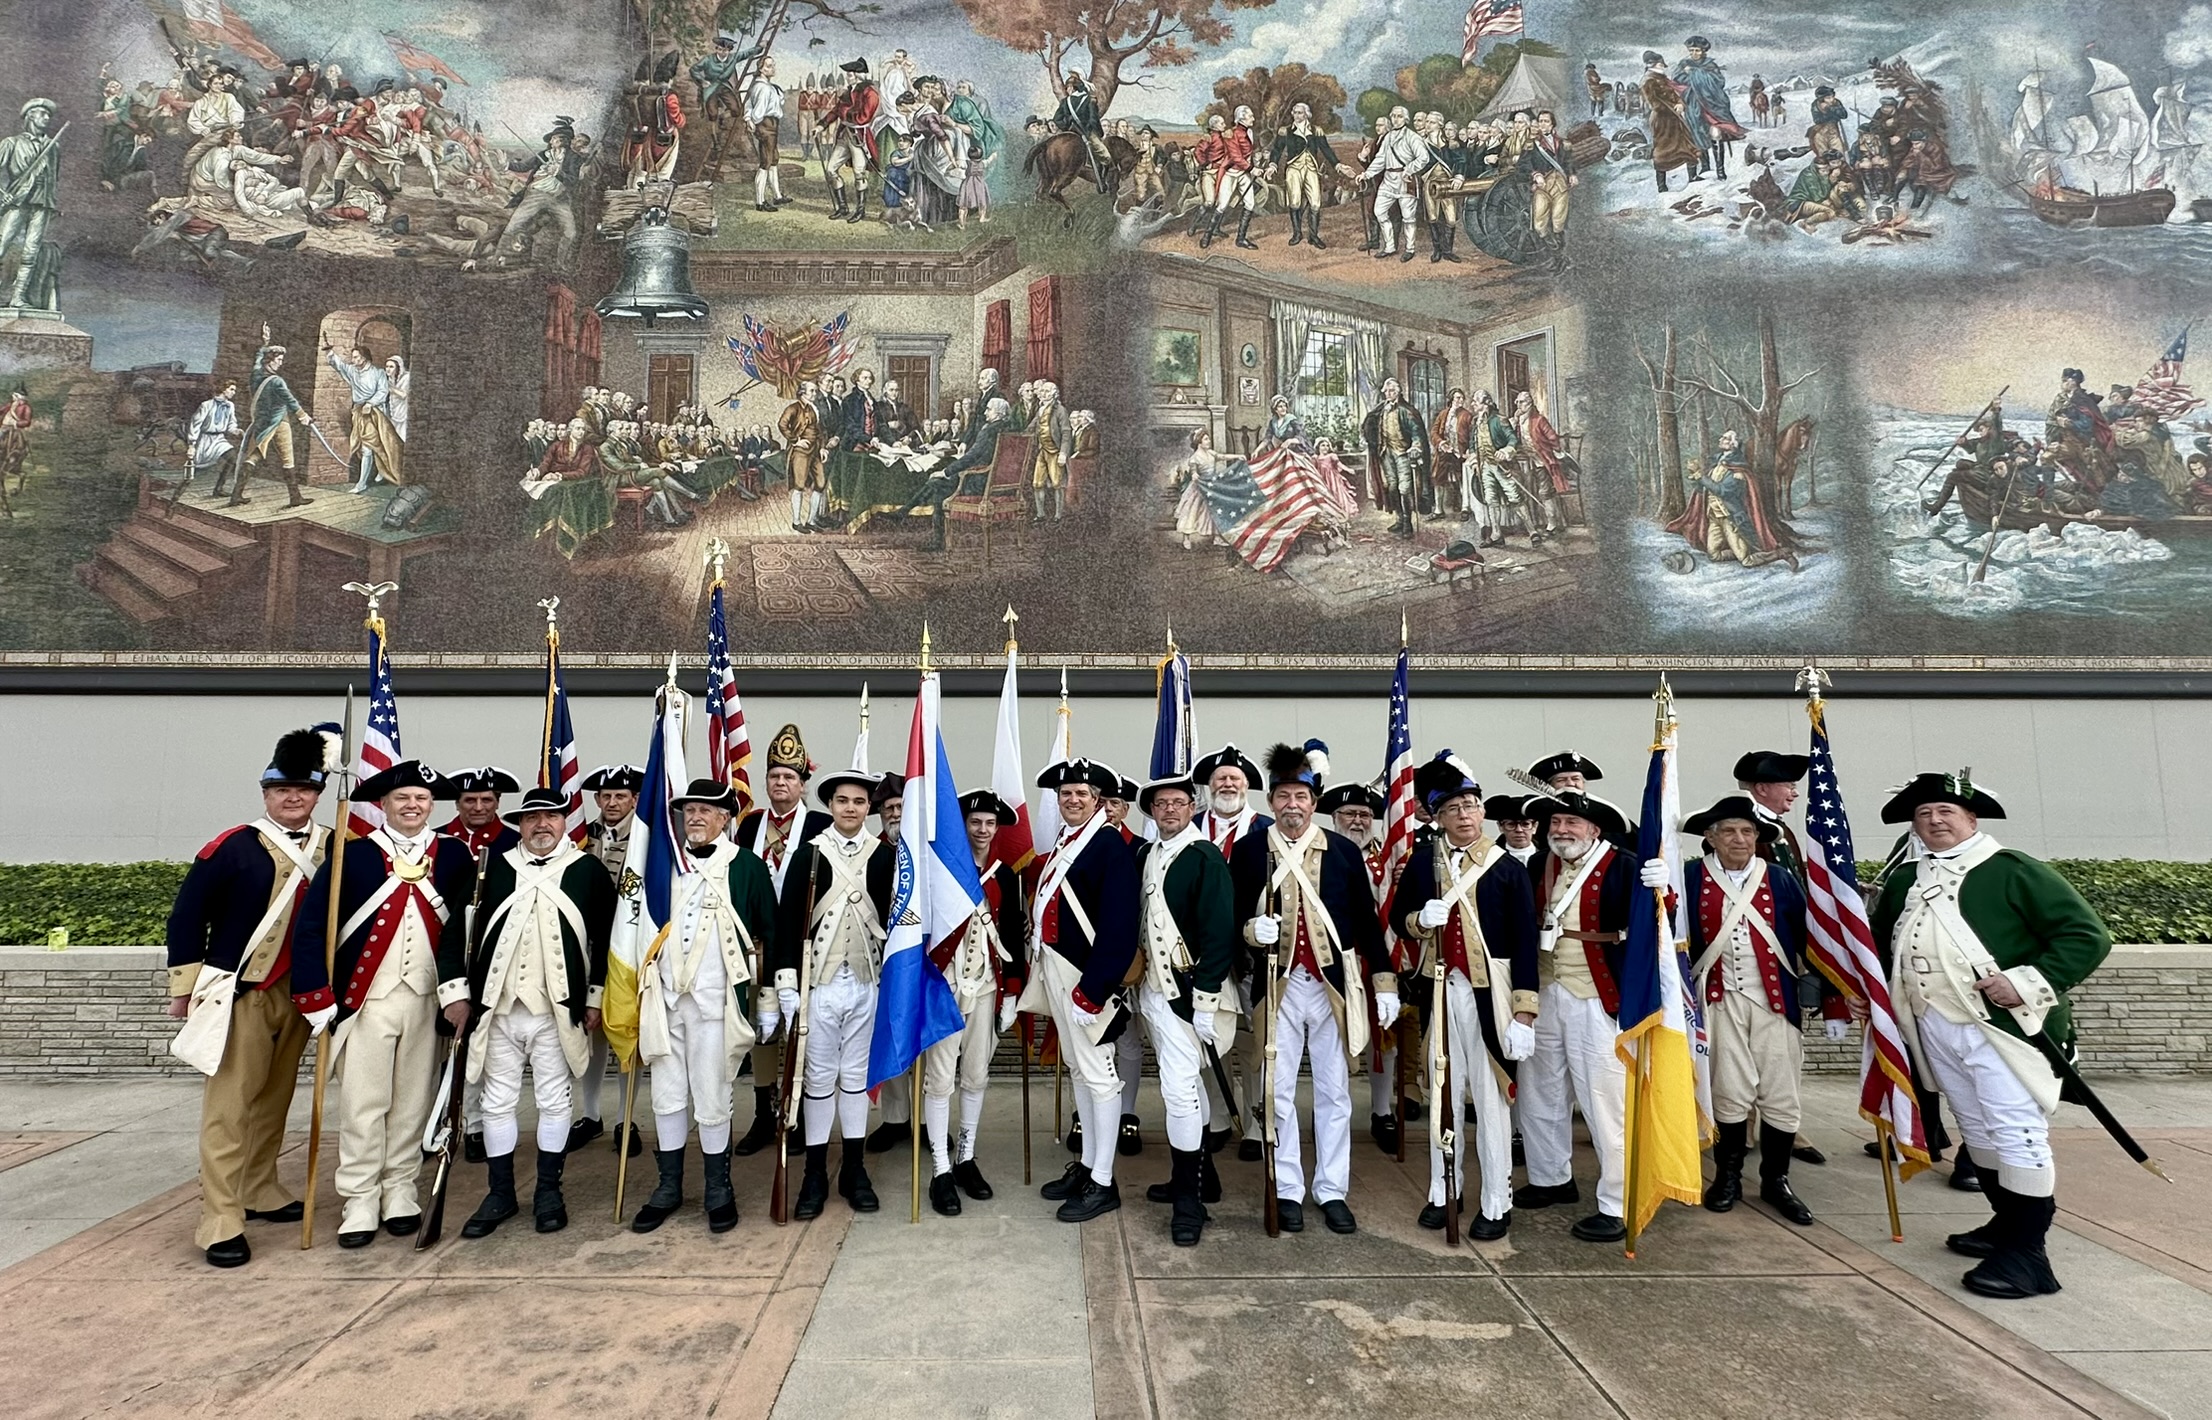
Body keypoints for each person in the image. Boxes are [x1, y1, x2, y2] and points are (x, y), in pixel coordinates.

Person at [1870, 772, 2112, 1298]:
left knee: (2016, 1133)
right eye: (1924, 815)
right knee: (1977, 1131)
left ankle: (2029, 1255)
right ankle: (2008, 1226)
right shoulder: (1905, 879)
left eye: (1945, 812)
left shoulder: (2012, 870)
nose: (1934, 822)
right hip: (1935, 1027)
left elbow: (2086, 935)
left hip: (2003, 1029)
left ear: (1971, 819)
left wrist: (2024, 981)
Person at [165, 727, 335, 1267]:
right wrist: (184, 988)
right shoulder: (232, 847)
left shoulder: (337, 844)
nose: (293, 797)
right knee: (230, 1106)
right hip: (244, 992)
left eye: (304, 790)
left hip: (303, 994)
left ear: (317, 794)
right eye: (282, 789)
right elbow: (187, 917)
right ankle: (219, 1218)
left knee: (275, 1099)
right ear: (265, 793)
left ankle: (260, 1187)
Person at [291, 760, 476, 1248]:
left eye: (420, 799)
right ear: (383, 806)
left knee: (414, 1103)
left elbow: (468, 928)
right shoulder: (352, 857)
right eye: (402, 799)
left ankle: (400, 1190)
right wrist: (316, 997)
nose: (412, 806)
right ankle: (359, 1197)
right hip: (365, 1000)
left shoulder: (455, 856)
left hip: (426, 999)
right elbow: (312, 928)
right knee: (364, 1104)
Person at [1230, 743, 1392, 1235]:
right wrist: (1247, 931)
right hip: (1276, 989)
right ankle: (1286, 1189)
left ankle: (1331, 1189)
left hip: (1331, 989)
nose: (1292, 805)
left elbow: (1366, 921)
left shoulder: (1342, 851)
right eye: (1283, 796)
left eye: (1301, 795)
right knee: (1277, 1093)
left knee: (1334, 1092)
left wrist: (1383, 982)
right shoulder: (1250, 850)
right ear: (1271, 802)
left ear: (1313, 802)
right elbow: (1232, 915)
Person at [1671, 795, 1840, 1227]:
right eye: (1728, 831)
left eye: (1747, 832)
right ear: (1710, 838)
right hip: (1718, 1000)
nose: (1739, 839)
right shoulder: (1690, 877)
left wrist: (1836, 998)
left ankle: (1776, 1180)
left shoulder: (1781, 879)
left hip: (1775, 1002)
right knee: (1728, 1091)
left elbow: (1814, 941)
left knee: (1781, 1094)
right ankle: (1727, 1177)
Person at [1389, 753, 1538, 1239]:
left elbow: (1525, 942)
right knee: (1441, 1096)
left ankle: (1497, 1200)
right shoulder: (1423, 863)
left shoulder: (1506, 868)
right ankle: (1442, 1189)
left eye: (1471, 805)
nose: (1465, 815)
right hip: (1439, 991)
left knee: (1491, 1098)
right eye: (1454, 808)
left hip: (1489, 993)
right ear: (1437, 816)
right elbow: (1398, 920)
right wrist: (1418, 921)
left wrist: (1524, 1012)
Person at [459, 788, 617, 1238]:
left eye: (550, 817)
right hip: (499, 1009)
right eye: (532, 819)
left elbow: (607, 941)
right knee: (497, 1103)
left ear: (565, 822)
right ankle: (500, 1193)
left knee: (553, 1101)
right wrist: (457, 993)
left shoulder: (587, 871)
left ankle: (549, 1190)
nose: (541, 825)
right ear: (520, 825)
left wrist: (594, 996)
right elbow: (460, 930)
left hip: (555, 1010)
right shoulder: (493, 868)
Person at [630, 781, 779, 1234]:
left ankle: (719, 1188)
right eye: (690, 810)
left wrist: (768, 999)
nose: (695, 817)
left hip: (716, 1002)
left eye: (706, 810)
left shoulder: (747, 867)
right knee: (667, 1095)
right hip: (665, 999)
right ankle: (668, 1186)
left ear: (725, 819)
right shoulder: (663, 866)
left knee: (713, 1096)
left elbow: (769, 935)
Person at [1513, 787, 1637, 1243]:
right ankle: (1550, 1178)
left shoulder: (1624, 866)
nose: (1561, 832)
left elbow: (1652, 929)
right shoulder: (1536, 865)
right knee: (1540, 1092)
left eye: (1571, 824)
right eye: (1555, 825)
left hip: (1598, 998)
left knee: (1605, 1101)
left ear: (1593, 830)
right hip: (1546, 993)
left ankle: (1618, 1201)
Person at [774, 766, 895, 1217]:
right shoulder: (808, 855)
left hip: (866, 982)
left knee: (857, 1078)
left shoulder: (883, 857)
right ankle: (814, 1173)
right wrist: (786, 985)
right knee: (819, 1079)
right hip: (818, 986)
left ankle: (855, 1169)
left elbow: (893, 922)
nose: (851, 808)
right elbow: (787, 924)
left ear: (870, 809)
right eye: (843, 801)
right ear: (830, 806)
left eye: (860, 802)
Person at [1030, 757, 1142, 1221]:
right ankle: (1090, 1164)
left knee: (1100, 1078)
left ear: (1098, 800)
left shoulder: (1108, 845)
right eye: (1066, 794)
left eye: (1082, 793)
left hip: (1084, 978)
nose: (1073, 800)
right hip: (1057, 971)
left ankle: (1103, 1181)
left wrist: (1094, 989)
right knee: (1078, 1070)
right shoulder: (1068, 840)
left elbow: (1119, 929)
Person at [1130, 773, 1235, 1245]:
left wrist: (1207, 1000)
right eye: (1161, 804)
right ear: (1151, 811)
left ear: (1193, 807)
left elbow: (1219, 935)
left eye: (1178, 803)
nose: (1169, 810)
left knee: (1178, 1092)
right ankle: (1201, 1179)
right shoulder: (1149, 855)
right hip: (1153, 990)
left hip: (1187, 994)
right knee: (1186, 1082)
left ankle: (1188, 1201)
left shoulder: (1204, 857)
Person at [922, 791, 1031, 1215]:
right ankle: (940, 1167)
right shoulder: (943, 869)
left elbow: (1012, 935)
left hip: (987, 986)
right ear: (962, 825)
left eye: (989, 824)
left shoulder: (1005, 876)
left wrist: (1014, 991)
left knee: (976, 1075)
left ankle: (966, 1157)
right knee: (939, 1079)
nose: (983, 831)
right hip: (945, 988)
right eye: (975, 823)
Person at [732, 726, 832, 1156]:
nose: (780, 784)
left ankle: (801, 1114)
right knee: (762, 1032)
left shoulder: (821, 824)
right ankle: (763, 1114)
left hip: (804, 944)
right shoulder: (750, 824)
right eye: (774, 776)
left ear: (803, 784)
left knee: (802, 1028)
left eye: (789, 777)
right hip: (758, 947)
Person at [572, 764, 643, 1153]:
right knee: (591, 1028)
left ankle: (625, 1119)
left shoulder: (647, 837)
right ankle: (591, 1113)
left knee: (625, 1033)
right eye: (605, 796)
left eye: (620, 796)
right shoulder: (583, 834)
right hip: (588, 943)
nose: (612, 802)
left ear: (634, 799)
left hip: (627, 945)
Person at [233, 327, 315, 509]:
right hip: (280, 421)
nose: (280, 363)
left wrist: (265, 344)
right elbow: (290, 400)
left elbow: (256, 361)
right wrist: (303, 416)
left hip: (262, 423)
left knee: (253, 456)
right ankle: (294, 497)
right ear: (270, 361)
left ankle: (236, 495)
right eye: (278, 360)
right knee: (287, 459)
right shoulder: (277, 381)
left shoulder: (256, 376)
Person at [496, 119, 583, 268]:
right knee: (513, 225)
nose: (551, 140)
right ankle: (497, 257)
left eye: (555, 138)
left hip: (559, 199)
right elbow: (524, 166)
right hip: (536, 195)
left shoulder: (574, 158)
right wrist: (507, 164)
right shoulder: (544, 154)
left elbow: (573, 181)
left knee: (570, 232)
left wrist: (558, 173)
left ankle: (561, 264)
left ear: (564, 141)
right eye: (552, 138)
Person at [1353, 105, 1432, 263]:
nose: (1396, 119)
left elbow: (1424, 158)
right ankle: (1389, 246)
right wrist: (1366, 174)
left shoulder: (1412, 137)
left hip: (1405, 180)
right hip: (1388, 179)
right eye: (1393, 116)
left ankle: (1410, 249)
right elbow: (1380, 159)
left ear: (1406, 119)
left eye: (1399, 116)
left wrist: (1409, 169)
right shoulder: (1388, 137)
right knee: (1379, 211)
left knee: (1408, 217)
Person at [325, 342, 405, 492]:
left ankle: (363, 483)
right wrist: (330, 352)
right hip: (359, 412)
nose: (353, 360)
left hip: (375, 414)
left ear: (365, 358)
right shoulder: (353, 370)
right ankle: (375, 475)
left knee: (370, 448)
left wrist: (370, 403)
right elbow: (339, 365)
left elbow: (382, 391)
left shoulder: (378, 373)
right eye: (353, 358)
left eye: (356, 358)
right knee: (368, 448)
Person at [1363, 377, 1433, 538]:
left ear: (1399, 392)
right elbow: (1370, 424)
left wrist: (1415, 446)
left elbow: (1416, 431)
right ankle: (1400, 519)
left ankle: (1408, 523)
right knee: (1392, 486)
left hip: (1402, 453)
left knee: (1405, 488)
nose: (1389, 393)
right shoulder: (1382, 409)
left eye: (1392, 391)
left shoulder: (1406, 410)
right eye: (1386, 391)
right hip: (1386, 453)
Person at [1674, 36, 1743, 180]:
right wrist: (1692, 77)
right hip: (1693, 105)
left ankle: (1720, 170)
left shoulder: (1710, 65)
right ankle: (1705, 166)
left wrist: (1695, 73)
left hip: (1712, 105)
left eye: (1697, 50)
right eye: (1691, 50)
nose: (1694, 53)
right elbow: (1678, 83)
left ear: (1703, 51)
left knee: (1716, 133)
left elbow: (1719, 82)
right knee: (1697, 134)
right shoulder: (1683, 64)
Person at [823, 59, 880, 222]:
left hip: (859, 137)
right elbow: (836, 111)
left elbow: (863, 118)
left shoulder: (870, 93)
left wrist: (844, 112)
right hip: (845, 134)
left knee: (859, 173)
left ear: (857, 75)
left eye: (849, 74)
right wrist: (821, 125)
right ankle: (842, 207)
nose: (847, 77)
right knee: (830, 169)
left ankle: (860, 210)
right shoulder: (849, 91)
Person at [1640, 52, 1700, 193]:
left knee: (1687, 144)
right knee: (1663, 150)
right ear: (1652, 65)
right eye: (1660, 64)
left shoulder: (1663, 78)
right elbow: (1654, 104)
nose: (1663, 66)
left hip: (1675, 118)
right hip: (1662, 120)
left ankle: (1693, 177)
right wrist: (1673, 108)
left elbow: (1674, 95)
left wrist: (1680, 104)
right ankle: (1662, 186)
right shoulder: (1647, 81)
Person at [436, 768, 521, 856]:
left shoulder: (517, 843)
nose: (478, 808)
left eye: (486, 800)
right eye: (470, 800)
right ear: (457, 804)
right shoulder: (434, 840)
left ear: (497, 803)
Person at [1052, 72, 1112, 192]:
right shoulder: (1090, 100)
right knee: (1106, 157)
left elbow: (1057, 119)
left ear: (1072, 88)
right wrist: (1099, 133)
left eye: (1067, 87)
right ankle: (1101, 182)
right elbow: (1094, 120)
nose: (1067, 90)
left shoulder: (1066, 102)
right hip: (1087, 133)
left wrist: (1067, 126)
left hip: (1071, 133)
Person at [780, 381, 827, 532]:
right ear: (802, 392)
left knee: (820, 483)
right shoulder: (793, 408)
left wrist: (822, 448)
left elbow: (819, 431)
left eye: (815, 391)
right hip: (801, 452)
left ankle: (811, 520)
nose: (815, 394)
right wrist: (796, 441)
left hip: (815, 450)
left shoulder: (815, 408)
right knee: (799, 486)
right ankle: (796, 521)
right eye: (812, 391)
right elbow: (782, 424)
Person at [745, 54, 789, 211]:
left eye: (773, 65)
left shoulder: (763, 86)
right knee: (766, 162)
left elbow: (748, 105)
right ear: (761, 69)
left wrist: (748, 118)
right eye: (769, 66)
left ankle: (777, 195)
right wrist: (753, 121)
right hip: (766, 125)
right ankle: (760, 201)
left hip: (770, 125)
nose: (773, 69)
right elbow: (758, 111)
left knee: (774, 159)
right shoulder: (763, 88)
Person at [1027, 379, 1073, 522]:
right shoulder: (1040, 410)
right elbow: (1031, 428)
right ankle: (1040, 514)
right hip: (1042, 451)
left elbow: (1066, 432)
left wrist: (1063, 453)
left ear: (1054, 394)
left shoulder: (1060, 410)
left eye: (1047, 391)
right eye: (1042, 391)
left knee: (1057, 484)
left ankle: (1058, 515)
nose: (1043, 393)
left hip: (1055, 451)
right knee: (1037, 483)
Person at [187, 381, 241, 495]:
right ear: (223, 389)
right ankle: (182, 489)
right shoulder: (206, 405)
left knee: (232, 458)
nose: (234, 393)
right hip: (205, 439)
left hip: (219, 439)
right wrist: (191, 444)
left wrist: (235, 430)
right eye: (231, 389)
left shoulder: (230, 406)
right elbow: (195, 424)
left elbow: (231, 423)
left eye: (234, 390)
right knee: (196, 467)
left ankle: (218, 489)